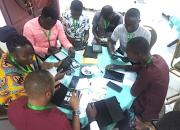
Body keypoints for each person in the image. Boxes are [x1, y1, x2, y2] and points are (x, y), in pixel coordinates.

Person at [106, 37, 169, 130]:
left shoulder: (148, 73)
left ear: (138, 54)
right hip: (156, 104)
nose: (127, 56)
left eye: (129, 54)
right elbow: (140, 67)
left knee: (114, 109)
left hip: (145, 112)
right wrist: (118, 66)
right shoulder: (157, 58)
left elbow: (133, 92)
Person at [0, 32, 63, 107]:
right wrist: (52, 83)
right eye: (25, 56)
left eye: (32, 53)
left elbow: (41, 65)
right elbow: (33, 98)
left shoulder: (24, 53)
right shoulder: (11, 79)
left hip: (36, 87)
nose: (31, 59)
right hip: (19, 102)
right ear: (13, 56)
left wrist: (55, 64)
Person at [8, 70, 80, 130]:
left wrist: (47, 86)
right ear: (48, 94)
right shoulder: (58, 120)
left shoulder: (14, 105)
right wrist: (76, 109)